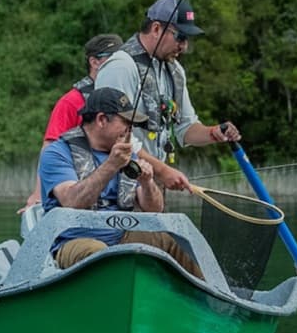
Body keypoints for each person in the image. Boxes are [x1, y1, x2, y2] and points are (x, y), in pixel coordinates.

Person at [38, 87, 203, 277]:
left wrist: (147, 182)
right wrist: (111, 165)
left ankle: (204, 292)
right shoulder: (57, 153)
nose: (130, 130)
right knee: (99, 254)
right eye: (126, 122)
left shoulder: (127, 154)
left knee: (176, 241)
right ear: (101, 120)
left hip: (122, 237)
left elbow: (155, 209)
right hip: (74, 241)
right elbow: (71, 201)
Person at [94, 0, 241, 174]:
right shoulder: (120, 66)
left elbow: (185, 127)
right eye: (181, 37)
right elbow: (111, 134)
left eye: (187, 39)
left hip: (150, 181)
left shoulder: (175, 71)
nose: (184, 46)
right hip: (117, 180)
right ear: (156, 29)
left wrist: (214, 132)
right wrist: (163, 171)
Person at [21, 34, 123, 212]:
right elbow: (50, 146)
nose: (119, 65)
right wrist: (38, 194)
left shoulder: (122, 100)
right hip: (74, 188)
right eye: (112, 58)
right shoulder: (71, 101)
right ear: (94, 62)